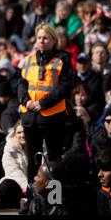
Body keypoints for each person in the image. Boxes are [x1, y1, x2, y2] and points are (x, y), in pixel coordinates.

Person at [18, 23, 74, 182]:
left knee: (54, 161)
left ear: (53, 40)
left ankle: (54, 201)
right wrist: (26, 101)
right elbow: (22, 83)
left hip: (52, 117)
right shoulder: (29, 59)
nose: (41, 41)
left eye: (45, 38)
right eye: (39, 38)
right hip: (30, 117)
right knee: (32, 161)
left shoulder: (63, 58)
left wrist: (42, 103)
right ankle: (32, 201)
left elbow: (65, 87)